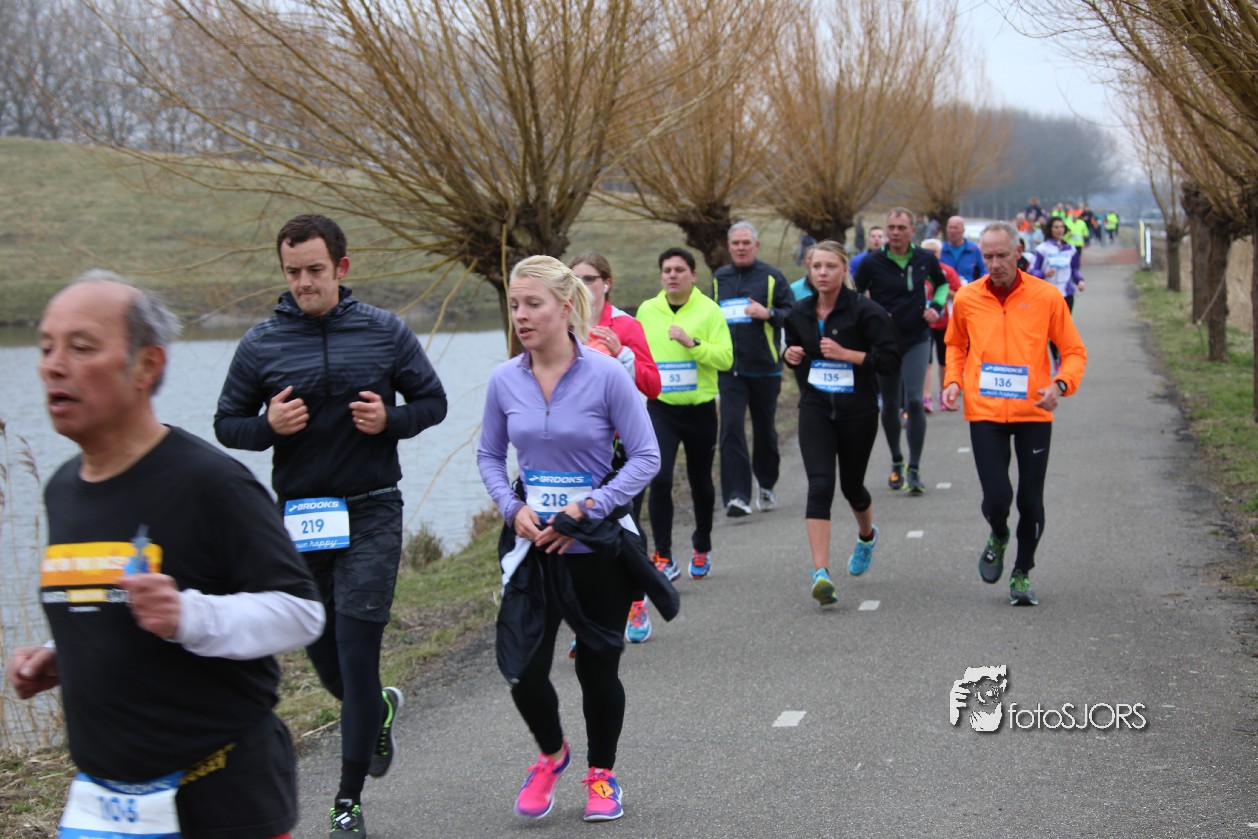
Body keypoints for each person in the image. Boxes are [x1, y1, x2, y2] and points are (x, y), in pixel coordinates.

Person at [9, 274, 324, 839]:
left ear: (146, 366)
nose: (53, 366)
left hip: (221, 799)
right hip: (103, 803)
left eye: (81, 347)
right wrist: (66, 652)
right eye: (46, 347)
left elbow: (301, 613)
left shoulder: (211, 483)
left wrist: (187, 616)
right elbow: (113, 601)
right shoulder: (62, 489)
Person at [215, 214, 448, 835]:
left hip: (372, 509)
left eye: (315, 270)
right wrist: (267, 428)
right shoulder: (261, 343)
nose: (303, 283)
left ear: (341, 268)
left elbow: (434, 402)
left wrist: (391, 420)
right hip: (301, 519)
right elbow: (226, 424)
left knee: (357, 654)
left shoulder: (384, 331)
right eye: (292, 272)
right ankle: (377, 712)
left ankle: (347, 802)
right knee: (327, 664)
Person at [478, 255, 668, 823]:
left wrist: (589, 508)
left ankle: (602, 775)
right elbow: (489, 455)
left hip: (596, 548)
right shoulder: (504, 379)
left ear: (565, 308)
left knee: (596, 667)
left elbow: (646, 457)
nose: (520, 315)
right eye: (515, 304)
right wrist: (512, 508)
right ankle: (552, 752)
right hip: (534, 547)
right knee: (523, 668)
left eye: (532, 304)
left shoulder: (606, 375)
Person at [941, 222, 1087, 606]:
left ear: (1019, 251)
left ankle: (1022, 572)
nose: (995, 264)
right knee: (997, 498)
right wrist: (953, 380)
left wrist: (1060, 385)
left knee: (1030, 500)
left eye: (1002, 255)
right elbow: (955, 345)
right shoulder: (968, 297)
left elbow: (1073, 351)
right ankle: (999, 533)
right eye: (988, 256)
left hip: (1033, 411)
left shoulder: (1046, 296)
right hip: (985, 410)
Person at [783, 242, 899, 606]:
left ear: (844, 269)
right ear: (809, 269)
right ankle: (821, 573)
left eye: (830, 266)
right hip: (815, 408)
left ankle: (866, 536)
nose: (822, 273)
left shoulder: (866, 311)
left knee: (852, 486)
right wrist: (789, 354)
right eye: (817, 266)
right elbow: (792, 349)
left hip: (857, 410)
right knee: (820, 485)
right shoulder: (799, 311)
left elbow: (889, 360)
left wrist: (848, 354)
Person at [568, 252, 661, 644]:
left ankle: (636, 602)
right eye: (574, 279)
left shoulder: (626, 325)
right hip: (577, 448)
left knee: (624, 524)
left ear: (606, 283)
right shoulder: (562, 325)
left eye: (589, 278)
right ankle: (588, 619)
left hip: (622, 445)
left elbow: (653, 386)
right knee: (581, 529)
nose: (582, 286)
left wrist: (623, 354)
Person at [637, 247, 734, 581]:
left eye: (679, 270)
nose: (672, 275)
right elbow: (638, 354)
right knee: (660, 477)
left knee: (700, 481)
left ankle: (701, 545)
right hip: (661, 408)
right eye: (667, 270)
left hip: (700, 409)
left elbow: (726, 359)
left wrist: (693, 344)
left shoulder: (709, 310)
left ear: (693, 275)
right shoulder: (647, 310)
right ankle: (664, 555)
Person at [853, 207, 949, 495]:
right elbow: (856, 296)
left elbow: (942, 284)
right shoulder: (872, 262)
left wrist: (935, 307)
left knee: (916, 401)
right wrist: (873, 316)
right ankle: (897, 459)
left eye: (901, 228)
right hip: (884, 342)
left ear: (911, 231)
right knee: (890, 404)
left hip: (917, 337)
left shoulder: (925, 258)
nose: (895, 233)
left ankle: (915, 468)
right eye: (891, 227)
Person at [713, 221, 794, 516]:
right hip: (730, 368)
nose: (741, 248)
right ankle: (737, 495)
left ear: (756, 246)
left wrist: (768, 313)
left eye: (746, 243)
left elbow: (792, 313)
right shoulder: (719, 277)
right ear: (729, 246)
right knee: (731, 428)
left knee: (765, 431)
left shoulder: (772, 276)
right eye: (735, 243)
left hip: (764, 368)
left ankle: (767, 484)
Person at [919, 238, 963, 413]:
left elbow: (959, 294)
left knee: (944, 361)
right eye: (927, 251)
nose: (931, 255)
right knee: (926, 362)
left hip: (945, 322)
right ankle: (926, 397)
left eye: (934, 252)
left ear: (939, 253)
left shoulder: (947, 271)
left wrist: (941, 289)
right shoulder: (918, 269)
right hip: (924, 322)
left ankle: (944, 395)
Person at [941, 216, 987, 284]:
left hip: (969, 287)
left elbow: (984, 270)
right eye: (950, 228)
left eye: (956, 228)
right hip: (946, 288)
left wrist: (980, 285)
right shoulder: (940, 249)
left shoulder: (973, 249)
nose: (952, 231)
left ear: (963, 230)